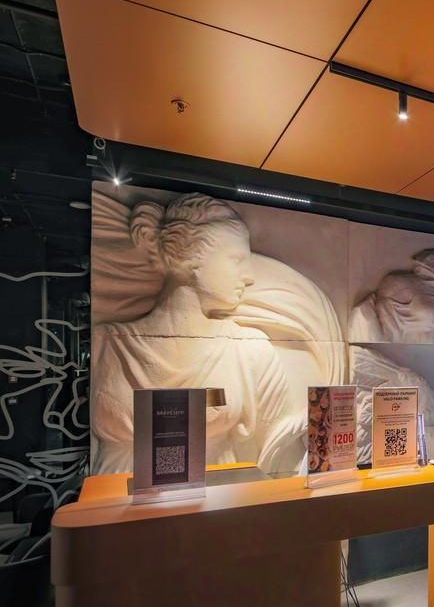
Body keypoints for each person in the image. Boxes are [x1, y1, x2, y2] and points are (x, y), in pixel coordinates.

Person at [91, 194, 306, 474]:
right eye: (237, 259)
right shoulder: (106, 345)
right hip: (117, 493)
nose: (249, 276)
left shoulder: (248, 350)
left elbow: (281, 449)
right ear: (189, 258)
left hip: (214, 496)